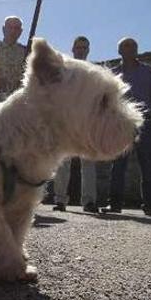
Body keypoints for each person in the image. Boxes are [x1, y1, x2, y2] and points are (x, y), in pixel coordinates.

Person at [100, 38, 151, 216]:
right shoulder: (114, 73)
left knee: (148, 165)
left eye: (133, 46)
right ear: (119, 51)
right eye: (126, 46)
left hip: (145, 123)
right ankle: (115, 204)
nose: (130, 49)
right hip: (121, 124)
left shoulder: (149, 71)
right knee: (118, 165)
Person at [52, 37, 98, 212]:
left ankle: (89, 201)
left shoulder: (94, 71)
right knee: (63, 162)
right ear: (72, 49)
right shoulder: (64, 69)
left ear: (88, 50)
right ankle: (60, 200)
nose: (81, 50)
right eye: (78, 47)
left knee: (89, 162)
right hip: (66, 120)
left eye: (84, 48)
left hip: (86, 121)